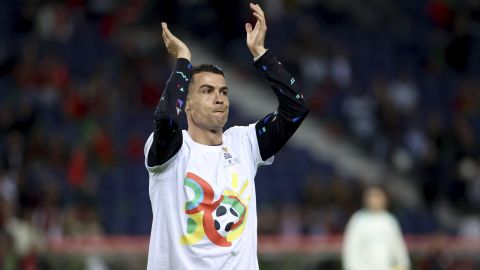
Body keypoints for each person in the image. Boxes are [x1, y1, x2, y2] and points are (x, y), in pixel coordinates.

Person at [143, 3, 308, 269]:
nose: (219, 98)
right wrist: (183, 59)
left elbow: (296, 109)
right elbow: (166, 118)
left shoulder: (244, 143)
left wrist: (261, 54)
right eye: (207, 91)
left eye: (223, 92)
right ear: (187, 103)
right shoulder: (173, 151)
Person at [342, 185, 410, 270]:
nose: (374, 200)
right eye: (372, 196)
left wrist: (403, 264)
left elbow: (398, 247)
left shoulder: (389, 221)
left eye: (378, 196)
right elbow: (350, 250)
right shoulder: (358, 221)